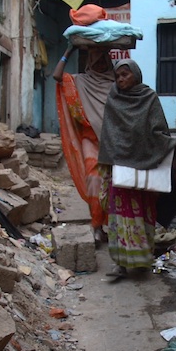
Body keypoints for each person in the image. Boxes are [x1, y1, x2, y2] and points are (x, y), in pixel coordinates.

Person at [97, 59, 176, 280]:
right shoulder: (113, 98)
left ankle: (142, 261)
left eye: (125, 74)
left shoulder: (149, 97)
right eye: (117, 76)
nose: (121, 79)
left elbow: (158, 130)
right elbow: (109, 134)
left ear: (136, 74)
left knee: (142, 215)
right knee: (119, 218)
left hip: (145, 168)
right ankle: (120, 265)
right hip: (120, 167)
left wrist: (168, 145)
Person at [53, 41, 115, 244]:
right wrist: (69, 50)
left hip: (114, 140)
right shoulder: (81, 81)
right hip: (91, 140)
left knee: (117, 184)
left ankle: (114, 226)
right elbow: (57, 76)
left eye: (103, 61)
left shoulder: (118, 82)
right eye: (96, 61)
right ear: (89, 62)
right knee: (95, 180)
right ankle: (97, 226)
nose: (100, 65)